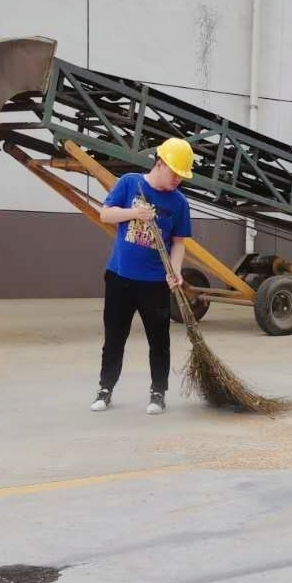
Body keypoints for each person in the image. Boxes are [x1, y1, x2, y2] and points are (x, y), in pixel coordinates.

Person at [90, 137, 195, 415]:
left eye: (182, 176)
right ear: (160, 164)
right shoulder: (129, 183)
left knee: (159, 341)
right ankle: (105, 389)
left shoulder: (179, 202)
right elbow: (105, 215)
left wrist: (175, 271)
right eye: (175, 173)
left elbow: (179, 244)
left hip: (155, 284)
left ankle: (158, 392)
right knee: (114, 338)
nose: (178, 180)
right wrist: (135, 213)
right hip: (119, 278)